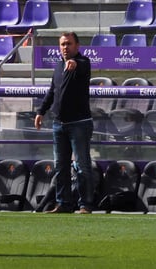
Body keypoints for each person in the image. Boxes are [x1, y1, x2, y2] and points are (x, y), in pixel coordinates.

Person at [34, 32, 94, 214]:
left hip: (79, 123)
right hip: (59, 124)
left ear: (77, 46)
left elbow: (81, 66)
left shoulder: (83, 62)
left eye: (68, 44)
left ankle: (85, 204)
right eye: (62, 44)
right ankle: (63, 203)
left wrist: (74, 64)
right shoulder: (59, 65)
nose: (65, 47)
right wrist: (41, 112)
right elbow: (52, 91)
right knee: (61, 167)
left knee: (82, 166)